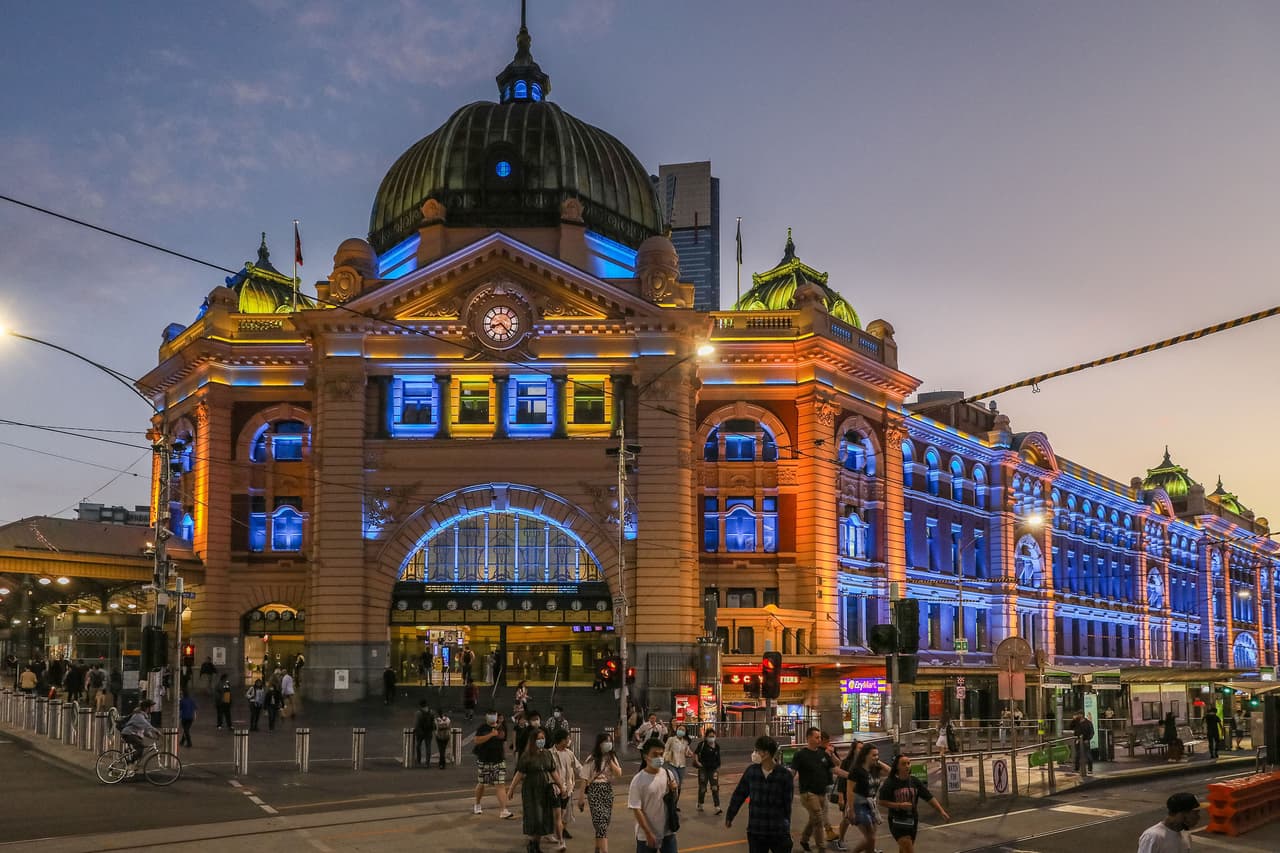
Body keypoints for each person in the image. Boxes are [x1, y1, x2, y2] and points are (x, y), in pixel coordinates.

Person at [726, 735, 794, 853]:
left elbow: (787, 803)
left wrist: (786, 828)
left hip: (777, 830)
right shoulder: (752, 772)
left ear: (766, 753)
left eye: (757, 750)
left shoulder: (784, 775)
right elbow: (739, 794)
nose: (754, 753)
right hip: (756, 829)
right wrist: (730, 816)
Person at [508, 727, 565, 853]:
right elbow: (519, 773)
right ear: (533, 740)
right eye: (538, 739)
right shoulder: (527, 755)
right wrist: (511, 789)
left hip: (544, 788)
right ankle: (533, 844)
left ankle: (535, 845)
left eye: (543, 738)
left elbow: (553, 771)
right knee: (535, 817)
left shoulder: (547, 754)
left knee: (543, 817)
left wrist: (561, 786)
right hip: (531, 790)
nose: (541, 741)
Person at [878, 754, 950, 853]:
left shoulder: (914, 781)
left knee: (905, 849)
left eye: (908, 763)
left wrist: (941, 811)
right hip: (897, 820)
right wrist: (899, 805)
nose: (907, 766)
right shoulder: (890, 782)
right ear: (897, 767)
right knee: (908, 847)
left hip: (912, 820)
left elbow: (928, 797)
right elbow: (881, 801)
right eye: (904, 764)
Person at [629, 738, 679, 853]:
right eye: (655, 754)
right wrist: (648, 833)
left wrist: (674, 790)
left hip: (668, 832)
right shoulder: (638, 780)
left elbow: (673, 801)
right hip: (646, 835)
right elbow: (637, 810)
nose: (659, 758)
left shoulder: (668, 774)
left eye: (661, 754)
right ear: (645, 756)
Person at [791, 727, 837, 853]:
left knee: (814, 819)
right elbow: (792, 773)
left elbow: (835, 768)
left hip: (821, 792)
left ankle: (804, 839)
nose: (819, 740)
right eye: (817, 737)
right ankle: (821, 847)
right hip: (808, 793)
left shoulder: (823, 753)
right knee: (818, 818)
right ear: (809, 738)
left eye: (820, 737)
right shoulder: (800, 754)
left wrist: (849, 775)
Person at [581, 731, 623, 853]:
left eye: (610, 741)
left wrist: (610, 761)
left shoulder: (612, 757)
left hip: (607, 790)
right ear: (599, 744)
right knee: (601, 824)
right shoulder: (592, 758)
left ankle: (597, 848)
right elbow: (584, 778)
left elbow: (619, 774)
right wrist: (581, 798)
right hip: (594, 791)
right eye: (605, 741)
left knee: (604, 822)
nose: (608, 744)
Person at [473, 710, 514, 818]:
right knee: (482, 783)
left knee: (500, 784)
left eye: (494, 715)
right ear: (486, 717)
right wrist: (491, 734)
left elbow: (502, 738)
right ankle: (477, 803)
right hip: (484, 760)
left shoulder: (501, 727)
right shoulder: (482, 728)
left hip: (498, 760)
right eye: (490, 715)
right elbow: (477, 740)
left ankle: (504, 810)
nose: (493, 717)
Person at [847, 743, 887, 853]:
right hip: (859, 805)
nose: (876, 757)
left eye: (877, 755)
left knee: (871, 839)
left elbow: (891, 772)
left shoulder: (875, 768)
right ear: (865, 755)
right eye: (873, 755)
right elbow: (849, 790)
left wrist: (878, 762)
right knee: (871, 837)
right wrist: (851, 810)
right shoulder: (856, 770)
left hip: (871, 804)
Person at [550, 727, 584, 849]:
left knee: (564, 815)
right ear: (561, 740)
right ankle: (560, 840)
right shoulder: (550, 754)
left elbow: (578, 767)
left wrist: (586, 777)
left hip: (567, 789)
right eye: (567, 738)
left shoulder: (569, 753)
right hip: (555, 789)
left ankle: (559, 832)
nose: (569, 740)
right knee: (557, 815)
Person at [692, 727, 722, 815]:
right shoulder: (702, 744)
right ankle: (700, 803)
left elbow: (718, 758)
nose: (711, 738)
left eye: (713, 736)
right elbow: (696, 753)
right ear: (706, 737)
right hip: (703, 769)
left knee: (715, 788)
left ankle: (717, 807)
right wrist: (697, 762)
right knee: (702, 788)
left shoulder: (717, 746)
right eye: (710, 736)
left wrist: (718, 766)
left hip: (713, 770)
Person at [121, 699, 161, 766]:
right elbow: (146, 725)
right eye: (151, 707)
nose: (152, 708)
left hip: (133, 734)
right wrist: (157, 731)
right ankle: (129, 763)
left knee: (140, 748)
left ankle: (131, 762)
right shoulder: (139, 716)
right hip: (129, 734)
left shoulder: (144, 716)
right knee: (140, 748)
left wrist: (153, 737)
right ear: (147, 708)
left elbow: (145, 730)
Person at [663, 724, 692, 794]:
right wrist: (665, 758)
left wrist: (689, 754)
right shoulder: (671, 739)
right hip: (671, 764)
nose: (681, 731)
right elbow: (665, 749)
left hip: (682, 766)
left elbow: (687, 752)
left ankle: (675, 802)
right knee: (676, 782)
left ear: (685, 732)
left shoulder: (685, 742)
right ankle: (671, 800)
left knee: (679, 786)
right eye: (679, 729)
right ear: (676, 730)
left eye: (683, 730)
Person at [413, 699, 435, 766]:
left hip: (420, 732)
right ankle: (427, 762)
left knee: (418, 746)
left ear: (420, 705)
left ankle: (419, 760)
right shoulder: (431, 712)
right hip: (428, 732)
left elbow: (417, 724)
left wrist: (416, 731)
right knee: (428, 747)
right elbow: (434, 723)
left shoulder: (418, 713)